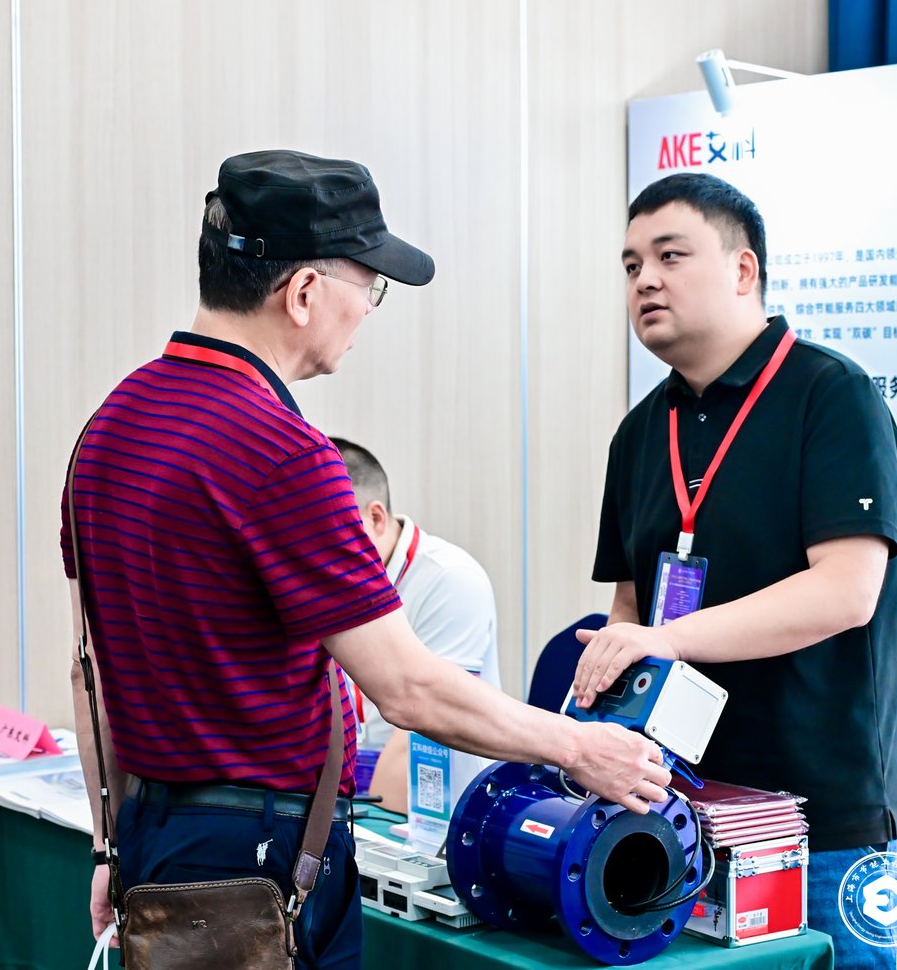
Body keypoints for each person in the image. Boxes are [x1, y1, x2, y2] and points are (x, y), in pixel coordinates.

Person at [62, 150, 669, 970]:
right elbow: (408, 687)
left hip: (152, 835)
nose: (367, 312)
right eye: (369, 286)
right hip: (256, 862)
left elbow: (89, 674)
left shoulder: (106, 431)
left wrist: (110, 844)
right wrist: (578, 746)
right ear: (304, 293)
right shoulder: (281, 452)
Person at [571, 172, 897, 969]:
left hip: (816, 820)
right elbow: (632, 604)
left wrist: (669, 638)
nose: (644, 280)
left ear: (743, 269)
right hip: (673, 810)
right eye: (630, 265)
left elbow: (847, 590)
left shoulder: (832, 395)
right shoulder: (640, 432)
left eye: (670, 256)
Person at [330, 436, 501, 805]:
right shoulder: (323, 579)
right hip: (356, 789)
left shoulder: (450, 578)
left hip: (438, 802)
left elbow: (423, 721)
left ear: (375, 518)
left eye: (327, 533)